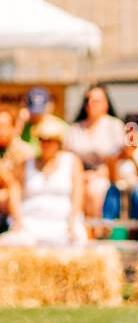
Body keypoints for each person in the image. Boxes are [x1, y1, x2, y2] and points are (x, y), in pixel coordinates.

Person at [0, 116, 86, 247]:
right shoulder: (25, 163)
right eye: (42, 139)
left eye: (50, 140)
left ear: (58, 142)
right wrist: (17, 220)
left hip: (63, 225)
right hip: (30, 224)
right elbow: (15, 190)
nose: (45, 143)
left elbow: (78, 192)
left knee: (78, 242)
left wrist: (73, 221)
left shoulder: (72, 161)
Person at [65, 83, 126, 218]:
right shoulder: (74, 128)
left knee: (94, 189)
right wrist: (80, 175)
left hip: (107, 175)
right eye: (88, 100)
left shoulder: (115, 126)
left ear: (106, 104)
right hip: (78, 175)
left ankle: (95, 229)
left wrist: (100, 173)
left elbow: (120, 156)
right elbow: (67, 156)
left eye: (97, 101)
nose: (92, 104)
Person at [0, 108, 34, 232]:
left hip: (19, 198)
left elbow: (18, 183)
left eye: (3, 126)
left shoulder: (24, 151)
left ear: (13, 127)